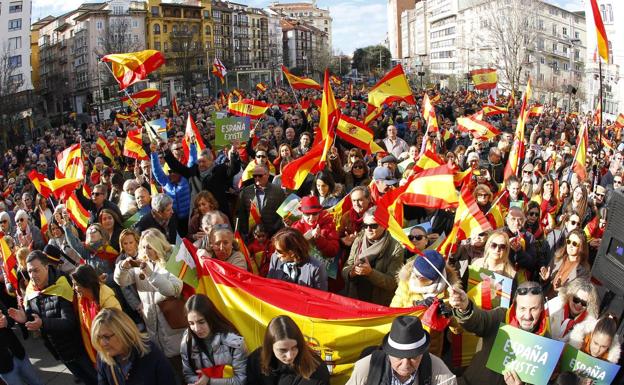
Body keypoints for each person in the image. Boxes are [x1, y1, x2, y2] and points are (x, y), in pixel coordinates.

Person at [8, 250, 98, 385]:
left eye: (36, 270)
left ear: (46, 266)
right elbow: (32, 317)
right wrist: (25, 318)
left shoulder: (62, 283)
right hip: (59, 350)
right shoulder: (31, 291)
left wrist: (42, 323)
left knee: (97, 379)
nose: (32, 276)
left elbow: (69, 322)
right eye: (29, 271)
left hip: (79, 348)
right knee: (85, 380)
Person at [448, 281, 550, 385]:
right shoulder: (500, 317)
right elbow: (479, 321)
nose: (527, 316)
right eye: (522, 308)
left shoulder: (547, 344)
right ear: (515, 306)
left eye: (534, 309)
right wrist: (465, 307)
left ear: (542, 308)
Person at [114, 228, 185, 359]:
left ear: (159, 246)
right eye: (144, 247)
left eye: (150, 247)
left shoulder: (173, 260)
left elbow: (172, 290)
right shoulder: (142, 263)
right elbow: (122, 282)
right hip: (153, 327)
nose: (146, 251)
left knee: (180, 368)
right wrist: (122, 268)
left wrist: (150, 274)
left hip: (173, 328)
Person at [346, 315, 456, 385]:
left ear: (422, 353)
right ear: (388, 352)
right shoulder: (367, 367)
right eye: (399, 357)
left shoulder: (440, 372)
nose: (405, 364)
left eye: (413, 357)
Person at [390, 250, 461, 357]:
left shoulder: (449, 291)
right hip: (408, 347)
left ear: (436, 278)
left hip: (432, 351)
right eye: (415, 274)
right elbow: (393, 313)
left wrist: (450, 316)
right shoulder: (406, 284)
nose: (417, 279)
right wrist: (416, 306)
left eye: (423, 279)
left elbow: (458, 330)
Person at [91, 307, 177, 385]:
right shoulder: (103, 357)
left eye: (106, 337)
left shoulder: (150, 353)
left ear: (123, 332)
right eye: (99, 337)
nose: (102, 343)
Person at [181, 294, 248, 385]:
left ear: (211, 318)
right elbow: (188, 375)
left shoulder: (234, 342)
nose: (196, 329)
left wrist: (209, 381)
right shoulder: (187, 341)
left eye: (201, 322)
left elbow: (241, 380)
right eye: (191, 323)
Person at [342, 207, 403, 306]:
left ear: (384, 225)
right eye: (365, 225)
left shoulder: (396, 248)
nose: (368, 229)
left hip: (378, 304)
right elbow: (346, 267)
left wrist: (370, 273)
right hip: (355, 299)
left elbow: (392, 283)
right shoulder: (359, 240)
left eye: (373, 226)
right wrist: (351, 272)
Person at [246, 315, 330, 385]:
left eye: (294, 347)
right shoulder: (256, 360)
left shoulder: (316, 369)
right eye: (282, 350)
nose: (289, 356)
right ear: (270, 347)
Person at [71, 264, 122, 364]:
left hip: (114, 354)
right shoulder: (83, 301)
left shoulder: (109, 302)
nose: (74, 288)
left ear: (87, 284)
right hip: (100, 354)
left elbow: (119, 333)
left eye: (76, 284)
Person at [0, 298, 44, 385]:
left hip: (18, 352)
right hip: (3, 365)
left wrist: (6, 322)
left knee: (36, 381)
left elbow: (10, 318)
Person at [539, 228, 590, 298]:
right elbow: (544, 284)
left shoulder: (583, 271)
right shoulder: (557, 257)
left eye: (574, 244)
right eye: (569, 241)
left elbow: (576, 296)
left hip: (560, 304)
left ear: (582, 247)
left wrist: (561, 289)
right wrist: (545, 279)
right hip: (544, 298)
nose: (570, 245)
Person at [238, 165, 286, 237]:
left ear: (267, 175)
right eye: (255, 176)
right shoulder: (246, 192)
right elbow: (242, 214)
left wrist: (275, 228)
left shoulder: (278, 191)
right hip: (253, 236)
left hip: (273, 234)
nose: (257, 178)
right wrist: (245, 231)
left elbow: (283, 213)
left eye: (260, 175)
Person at [291, 196, 340, 261]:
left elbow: (334, 251)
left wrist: (319, 238)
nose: (311, 218)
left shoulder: (328, 224)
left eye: (314, 214)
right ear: (302, 213)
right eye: (307, 214)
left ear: (319, 212)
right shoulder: (296, 228)